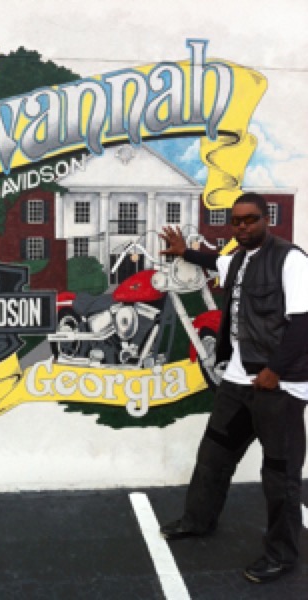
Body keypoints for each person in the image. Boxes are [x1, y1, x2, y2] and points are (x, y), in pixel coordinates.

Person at [158, 192, 308, 584]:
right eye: (236, 221)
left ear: (266, 219)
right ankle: (198, 520)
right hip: (239, 379)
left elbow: (303, 322)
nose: (242, 227)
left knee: (280, 473)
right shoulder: (239, 259)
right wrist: (185, 252)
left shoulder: (290, 259)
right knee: (214, 453)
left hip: (279, 387)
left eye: (250, 219)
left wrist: (275, 370)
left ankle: (281, 555)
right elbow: (215, 261)